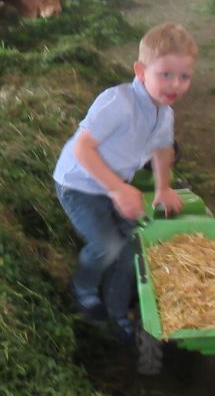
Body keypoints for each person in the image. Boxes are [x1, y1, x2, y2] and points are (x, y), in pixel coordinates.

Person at [53, 23, 197, 343]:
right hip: (80, 184)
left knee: (136, 243)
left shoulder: (164, 112)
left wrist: (162, 188)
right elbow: (82, 148)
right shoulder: (117, 103)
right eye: (165, 75)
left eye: (184, 77)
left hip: (115, 184)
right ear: (141, 70)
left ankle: (119, 311)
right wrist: (117, 189)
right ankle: (83, 289)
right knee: (108, 244)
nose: (175, 85)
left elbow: (162, 150)